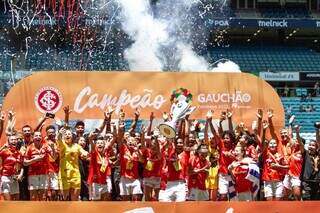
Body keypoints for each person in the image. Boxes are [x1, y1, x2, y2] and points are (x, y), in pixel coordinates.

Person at [57, 128, 89, 201]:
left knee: (75, 200)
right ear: (63, 137)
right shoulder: (62, 144)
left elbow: (83, 152)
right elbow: (58, 139)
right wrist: (59, 133)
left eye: (69, 134)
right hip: (64, 175)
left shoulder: (76, 146)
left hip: (75, 175)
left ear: (72, 136)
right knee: (64, 200)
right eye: (66, 134)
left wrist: (86, 154)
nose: (67, 135)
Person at [23, 131, 51, 201]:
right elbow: (24, 163)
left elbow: (54, 157)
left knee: (44, 196)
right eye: (36, 136)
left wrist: (53, 149)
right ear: (33, 138)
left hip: (44, 174)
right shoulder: (29, 148)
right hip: (33, 174)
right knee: (33, 196)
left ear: (41, 138)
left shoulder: (46, 146)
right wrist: (35, 160)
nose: (38, 137)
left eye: (39, 136)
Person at [0, 135, 24, 200]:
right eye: (12, 140)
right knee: (7, 199)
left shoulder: (19, 153)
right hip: (5, 177)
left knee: (16, 199)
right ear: (8, 142)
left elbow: (22, 166)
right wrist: (2, 147)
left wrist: (21, 174)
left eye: (15, 140)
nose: (14, 141)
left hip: (14, 178)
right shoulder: (4, 151)